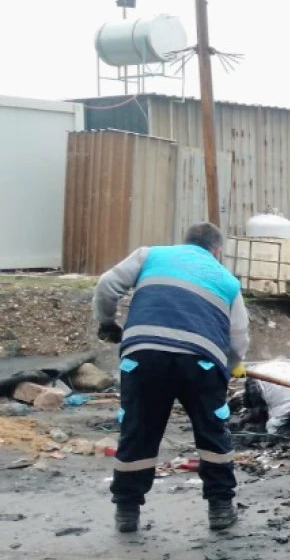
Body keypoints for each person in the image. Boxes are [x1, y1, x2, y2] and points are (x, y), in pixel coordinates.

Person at [93, 222, 250, 533]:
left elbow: (107, 285)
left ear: (185, 242)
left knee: (139, 430)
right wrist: (230, 365)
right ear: (217, 251)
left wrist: (108, 322)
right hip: (202, 361)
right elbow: (238, 337)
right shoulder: (227, 281)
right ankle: (220, 508)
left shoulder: (150, 255)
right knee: (211, 431)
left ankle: (127, 511)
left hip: (144, 355)